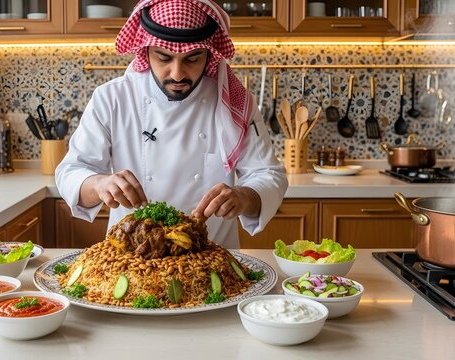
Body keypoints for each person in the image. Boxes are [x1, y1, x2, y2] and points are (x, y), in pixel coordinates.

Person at [55, 0, 287, 248]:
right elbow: (70, 173)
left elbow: (268, 175)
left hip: (213, 261)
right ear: (145, 51)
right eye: (164, 58)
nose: (177, 74)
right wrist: (100, 184)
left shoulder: (234, 103)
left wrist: (243, 196)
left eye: (192, 59)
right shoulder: (112, 99)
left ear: (209, 53)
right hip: (133, 260)